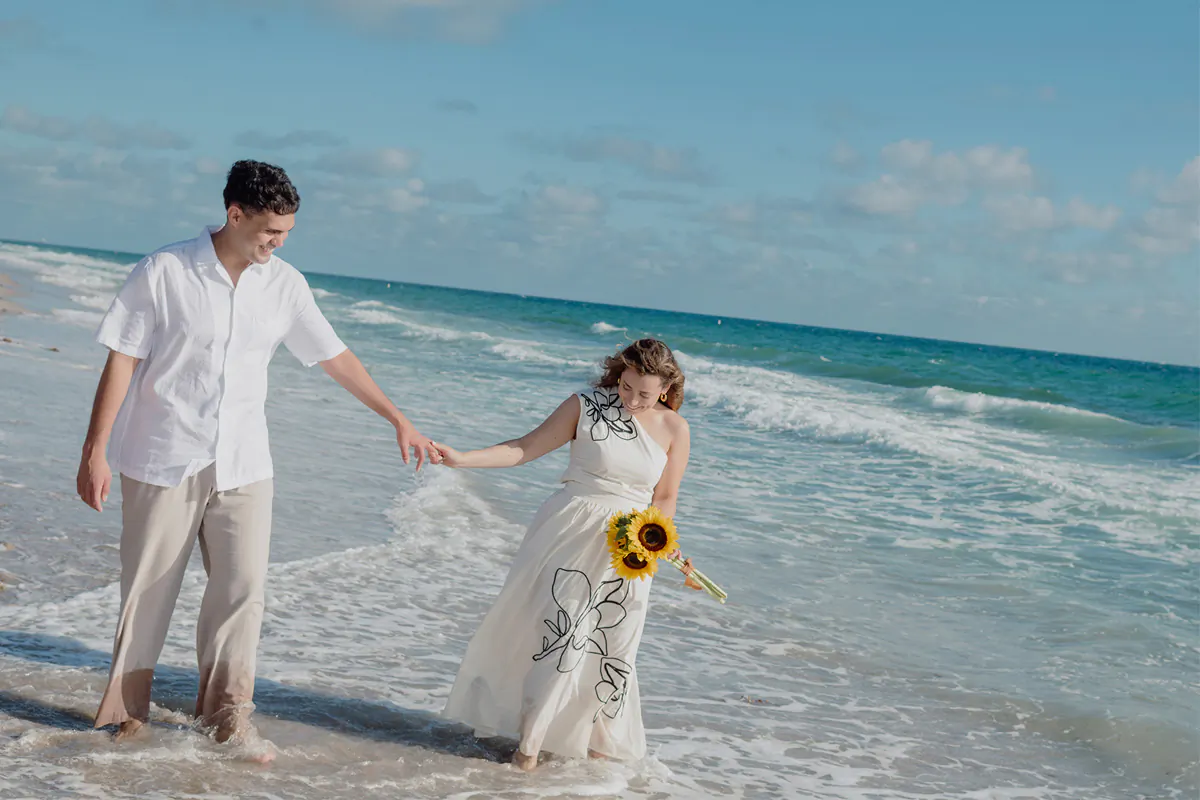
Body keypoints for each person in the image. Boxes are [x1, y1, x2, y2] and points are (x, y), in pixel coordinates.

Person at [75, 159, 439, 759]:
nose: (278, 242)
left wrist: (396, 416)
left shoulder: (285, 284)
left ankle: (225, 719)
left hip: (245, 463)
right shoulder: (164, 271)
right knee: (148, 589)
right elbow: (122, 359)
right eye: (270, 230)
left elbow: (333, 356)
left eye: (288, 232)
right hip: (164, 455)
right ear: (234, 213)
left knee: (243, 590)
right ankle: (125, 714)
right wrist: (95, 451)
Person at [434, 338, 699, 770]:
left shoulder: (675, 430)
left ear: (666, 391)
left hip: (630, 548)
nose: (631, 400)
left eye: (644, 395)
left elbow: (666, 496)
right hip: (570, 529)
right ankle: (529, 749)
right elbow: (525, 447)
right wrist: (463, 459)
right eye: (627, 387)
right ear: (619, 374)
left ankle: (596, 749)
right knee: (561, 637)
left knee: (614, 644)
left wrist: (655, 539)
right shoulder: (586, 405)